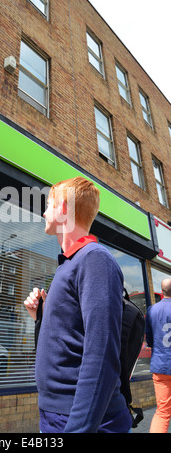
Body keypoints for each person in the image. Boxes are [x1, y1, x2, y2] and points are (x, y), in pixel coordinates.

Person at [24, 176, 133, 433]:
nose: (44, 212)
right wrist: (41, 315)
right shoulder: (68, 265)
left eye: (49, 205)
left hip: (87, 421)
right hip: (56, 415)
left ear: (63, 208)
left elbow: (102, 353)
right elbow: (66, 342)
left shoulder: (94, 259)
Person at [146, 278, 171, 433]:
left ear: (161, 291)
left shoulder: (151, 310)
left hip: (161, 365)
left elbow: (149, 338)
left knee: (162, 412)